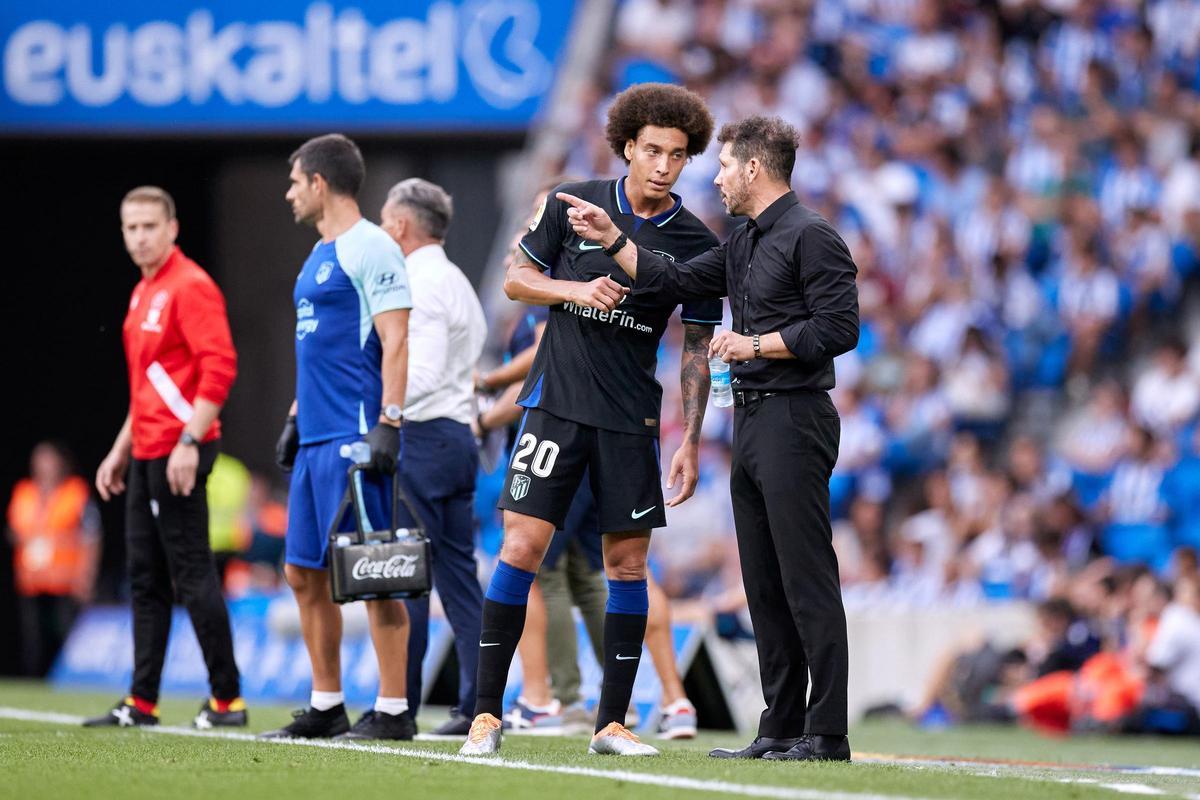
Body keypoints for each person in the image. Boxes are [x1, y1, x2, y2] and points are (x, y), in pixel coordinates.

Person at [560, 114, 860, 761]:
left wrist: (753, 344)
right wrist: (614, 239)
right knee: (761, 581)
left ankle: (827, 733)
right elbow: (671, 279)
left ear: (754, 168)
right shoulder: (744, 242)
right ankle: (779, 728)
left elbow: (838, 329)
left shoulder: (814, 237)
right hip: (748, 420)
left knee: (806, 578)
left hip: (795, 416)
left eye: (724, 165)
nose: (716, 176)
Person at [459, 83, 721, 757]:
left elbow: (695, 346)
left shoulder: (696, 242)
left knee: (627, 566)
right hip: (555, 407)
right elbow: (517, 279)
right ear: (628, 146)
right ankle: (487, 717)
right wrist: (574, 288)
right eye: (654, 150)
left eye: (679, 155)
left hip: (631, 419)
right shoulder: (572, 201)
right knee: (521, 548)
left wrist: (689, 436)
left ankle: (611, 724)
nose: (664, 165)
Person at [264, 134, 414, 741]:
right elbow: (321, 349)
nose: (290, 192)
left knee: (373, 572)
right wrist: (297, 416)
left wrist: (389, 422)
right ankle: (327, 704)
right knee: (303, 572)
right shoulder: (318, 253)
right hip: (316, 438)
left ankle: (395, 709)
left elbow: (397, 339)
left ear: (321, 183)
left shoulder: (372, 246)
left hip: (356, 437)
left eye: (296, 181)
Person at [88, 186, 245, 729]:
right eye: (130, 228)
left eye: (149, 226)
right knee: (144, 578)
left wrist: (189, 442)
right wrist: (118, 451)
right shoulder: (143, 292)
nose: (139, 238)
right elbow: (147, 386)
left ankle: (228, 701)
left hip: (181, 449)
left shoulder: (190, 285)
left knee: (193, 574)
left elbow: (219, 368)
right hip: (149, 451)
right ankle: (142, 701)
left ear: (172, 228)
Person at [378, 178, 487, 736]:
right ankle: (476, 705)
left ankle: (399, 705)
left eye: (384, 219)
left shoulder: (417, 281)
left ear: (400, 224)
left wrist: (380, 415)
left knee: (407, 575)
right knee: (458, 579)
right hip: (457, 436)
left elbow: (416, 374)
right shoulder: (459, 281)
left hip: (421, 438)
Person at [7, 442, 101, 677]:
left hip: (65, 580)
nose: (45, 466)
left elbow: (92, 534)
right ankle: (34, 678)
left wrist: (86, 575)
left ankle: (68, 678)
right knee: (34, 637)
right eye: (40, 460)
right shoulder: (24, 492)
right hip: (32, 579)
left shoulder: (75, 492)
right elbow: (12, 529)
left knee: (65, 633)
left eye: (49, 460)